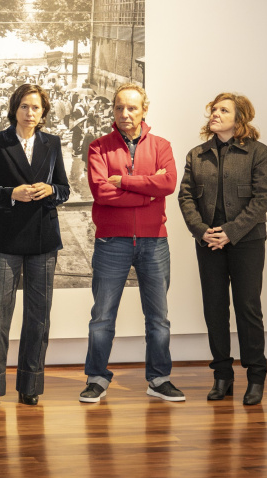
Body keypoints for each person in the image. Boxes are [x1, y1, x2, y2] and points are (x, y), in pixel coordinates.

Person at [80, 83, 181, 403]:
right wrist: (147, 194)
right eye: (119, 107)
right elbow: (101, 192)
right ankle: (96, 378)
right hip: (111, 241)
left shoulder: (162, 146)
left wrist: (124, 181)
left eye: (132, 108)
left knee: (158, 317)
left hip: (154, 241)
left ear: (144, 110)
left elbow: (168, 183)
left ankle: (159, 379)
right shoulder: (98, 147)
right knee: (102, 317)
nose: (125, 113)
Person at [0, 84, 70, 407]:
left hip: (44, 238)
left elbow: (64, 189)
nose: (30, 113)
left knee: (38, 315)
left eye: (36, 108)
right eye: (25, 106)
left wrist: (51, 190)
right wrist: (11, 194)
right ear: (15, 108)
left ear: (44, 113)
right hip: (6, 238)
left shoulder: (52, 143)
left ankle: (30, 384)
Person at [178, 93, 267, 405]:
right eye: (213, 110)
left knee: (248, 308)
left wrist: (230, 233)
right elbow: (185, 197)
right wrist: (202, 231)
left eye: (223, 110)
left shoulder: (258, 152)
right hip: (209, 242)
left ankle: (256, 377)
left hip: (247, 241)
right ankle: (222, 376)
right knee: (215, 309)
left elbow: (262, 198)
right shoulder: (196, 155)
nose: (215, 114)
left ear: (239, 118)